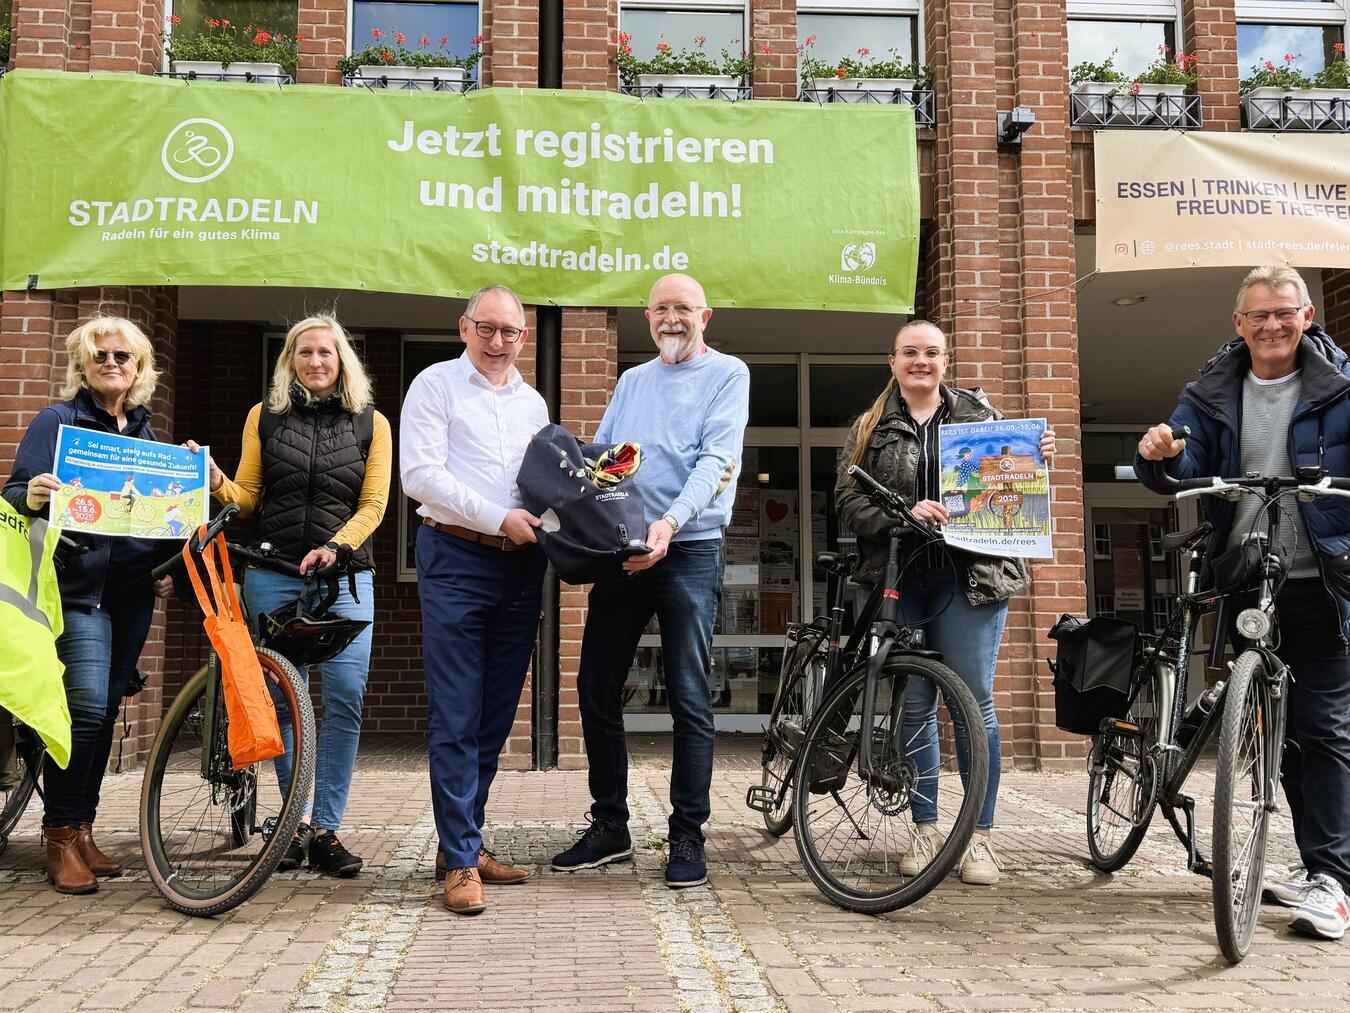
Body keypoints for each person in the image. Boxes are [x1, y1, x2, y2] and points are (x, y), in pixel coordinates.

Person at [1137, 265, 1350, 941]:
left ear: (1306, 316)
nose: (1272, 325)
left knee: (1324, 727)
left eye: (1284, 312)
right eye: (1258, 315)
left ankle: (1334, 879)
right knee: (1270, 729)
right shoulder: (1211, 392)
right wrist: (1159, 454)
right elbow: (1176, 458)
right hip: (1248, 576)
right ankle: (1319, 864)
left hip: (1325, 578)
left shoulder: (1342, 387)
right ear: (1239, 324)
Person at [834, 320, 1054, 886]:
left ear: (946, 361)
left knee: (974, 702)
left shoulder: (983, 420)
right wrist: (901, 515)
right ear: (893, 362)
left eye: (931, 353)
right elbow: (847, 502)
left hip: (970, 577)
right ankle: (926, 828)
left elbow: (1012, 484)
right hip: (902, 577)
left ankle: (978, 837)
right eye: (910, 352)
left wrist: (1033, 457)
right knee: (914, 703)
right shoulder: (869, 429)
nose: (920, 362)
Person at [552, 273, 749, 889]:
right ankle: (610, 824)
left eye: (683, 309)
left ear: (705, 317)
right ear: (648, 317)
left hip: (689, 549)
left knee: (689, 695)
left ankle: (687, 832)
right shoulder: (633, 381)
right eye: (662, 308)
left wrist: (667, 524)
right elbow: (611, 460)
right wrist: (591, 520)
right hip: (629, 552)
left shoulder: (728, 375)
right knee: (594, 685)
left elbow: (716, 462)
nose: (672, 318)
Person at [190, 314, 390, 878]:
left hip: (345, 579)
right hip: (272, 574)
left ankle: (327, 827)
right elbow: (248, 497)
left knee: (345, 699)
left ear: (342, 359)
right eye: (304, 352)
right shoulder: (265, 417)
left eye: (326, 352)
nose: (316, 361)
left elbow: (373, 506)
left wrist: (336, 547)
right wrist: (215, 482)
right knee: (284, 702)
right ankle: (296, 826)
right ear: (290, 360)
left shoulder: (372, 424)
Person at [2, 316, 176, 894]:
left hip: (130, 593)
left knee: (104, 713)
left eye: (122, 356)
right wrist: (31, 494)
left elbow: (159, 517)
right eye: (99, 355)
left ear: (140, 368)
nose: (111, 363)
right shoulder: (57, 421)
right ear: (82, 363)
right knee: (87, 710)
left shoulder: (150, 438)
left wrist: (165, 563)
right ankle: (56, 835)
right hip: (76, 589)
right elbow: (12, 493)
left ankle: (82, 827)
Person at [400, 284, 549, 915]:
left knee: (493, 714)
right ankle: (460, 861)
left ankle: (463, 839)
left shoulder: (534, 404)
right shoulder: (434, 385)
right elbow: (421, 476)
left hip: (521, 567)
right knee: (457, 713)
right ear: (464, 328)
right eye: (485, 328)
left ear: (523, 338)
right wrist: (498, 518)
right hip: (456, 556)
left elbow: (543, 484)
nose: (496, 342)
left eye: (509, 332)